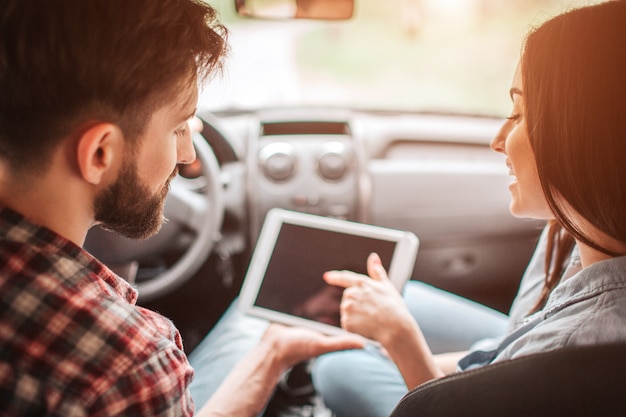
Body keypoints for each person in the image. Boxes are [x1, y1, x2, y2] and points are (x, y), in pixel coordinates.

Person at [186, 1, 626, 415]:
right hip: (512, 360)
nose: (497, 140)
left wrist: (403, 344)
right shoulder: (570, 230)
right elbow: (510, 349)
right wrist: (427, 348)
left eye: (519, 114)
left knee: (339, 364)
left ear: (580, 142)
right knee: (397, 299)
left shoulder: (581, 343)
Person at [0, 1, 363, 416]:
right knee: (250, 320)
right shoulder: (128, 364)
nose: (187, 153)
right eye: (177, 128)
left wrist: (274, 354)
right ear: (100, 152)